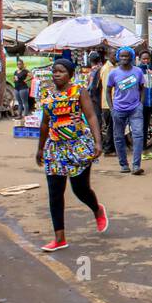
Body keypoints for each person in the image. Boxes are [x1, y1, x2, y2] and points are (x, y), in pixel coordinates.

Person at [35, 58, 107, 252]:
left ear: (70, 74)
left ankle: (96, 209)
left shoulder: (79, 92)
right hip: (55, 148)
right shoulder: (47, 94)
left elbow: (91, 116)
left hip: (78, 146)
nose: (56, 74)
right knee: (55, 193)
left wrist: (98, 141)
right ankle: (59, 238)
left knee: (80, 189)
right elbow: (44, 123)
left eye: (60, 71)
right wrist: (40, 148)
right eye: (54, 71)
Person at [106, 47, 147, 175]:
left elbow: (142, 88)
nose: (124, 58)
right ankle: (123, 164)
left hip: (135, 109)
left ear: (132, 57)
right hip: (118, 109)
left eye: (127, 56)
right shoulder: (113, 73)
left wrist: (140, 104)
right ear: (118, 57)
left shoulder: (138, 71)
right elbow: (107, 91)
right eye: (122, 56)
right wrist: (112, 108)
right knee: (118, 137)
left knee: (138, 135)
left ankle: (136, 165)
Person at [137, 51, 152, 150]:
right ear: (140, 60)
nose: (146, 61)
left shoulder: (151, 70)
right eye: (144, 59)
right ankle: (139, 147)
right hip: (140, 102)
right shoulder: (138, 71)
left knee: (146, 125)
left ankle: (144, 147)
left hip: (149, 102)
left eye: (147, 59)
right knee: (139, 126)